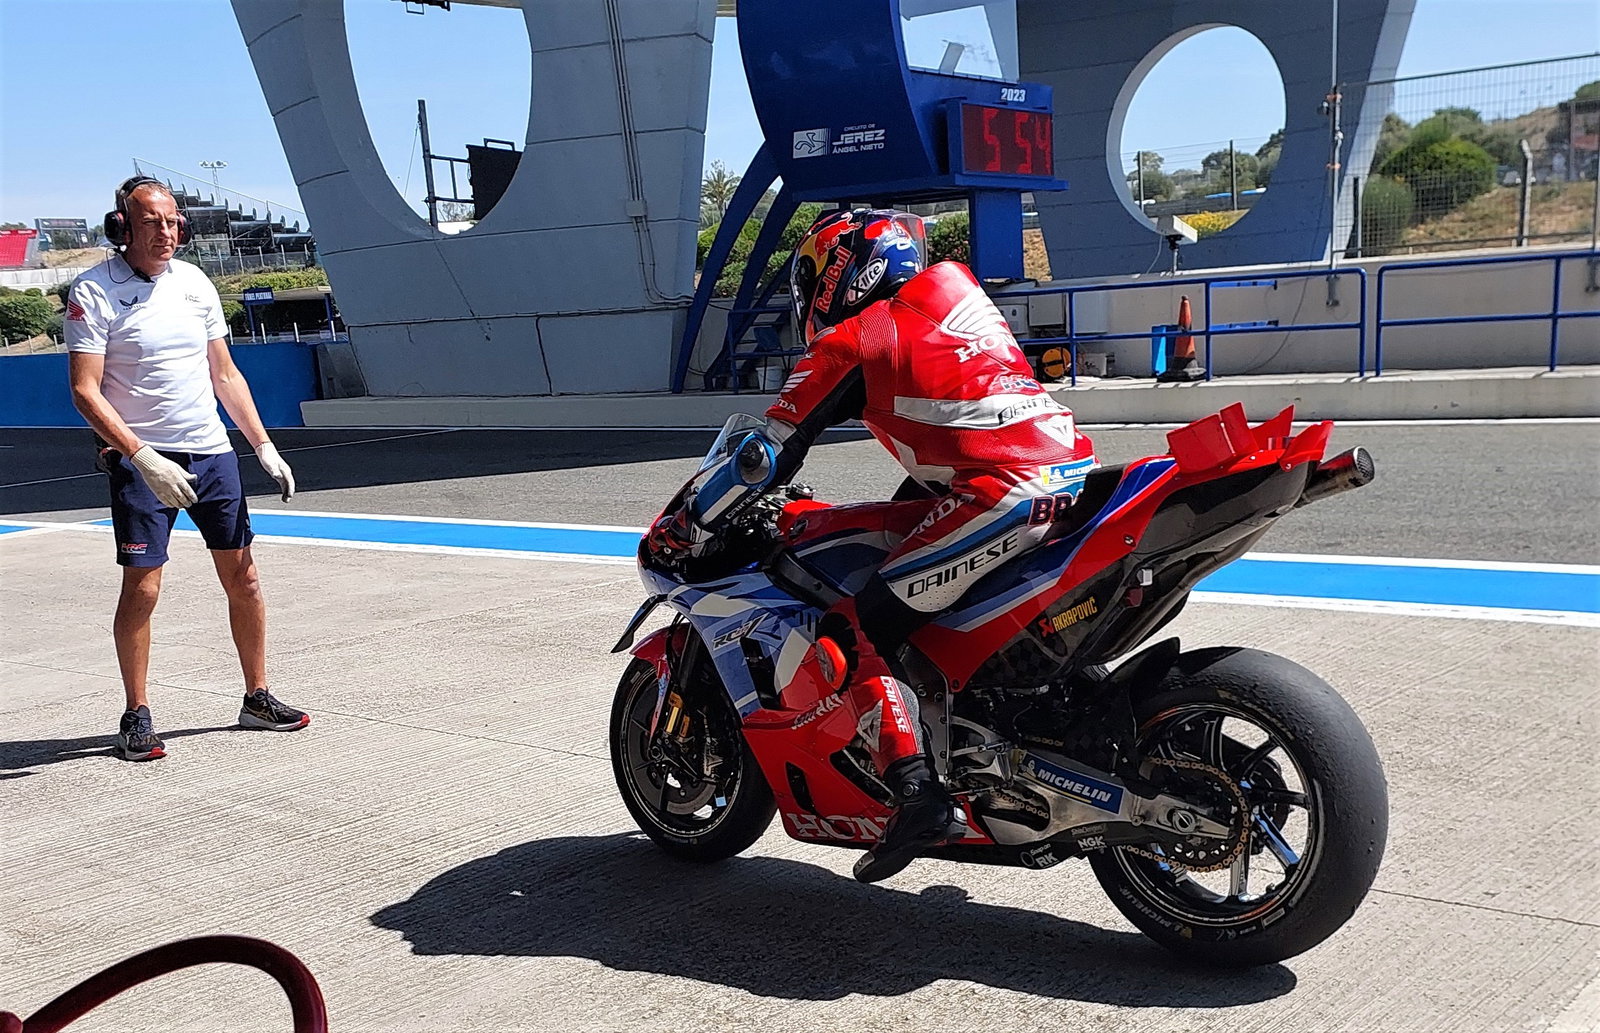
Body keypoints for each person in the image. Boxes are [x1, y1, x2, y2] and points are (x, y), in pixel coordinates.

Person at [666, 208, 1098, 882]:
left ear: (841, 270)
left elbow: (764, 454)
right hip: (1067, 477)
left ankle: (920, 792)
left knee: (855, 621)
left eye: (812, 277)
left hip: (1000, 493)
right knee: (904, 533)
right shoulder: (953, 292)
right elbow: (957, 413)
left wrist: (693, 515)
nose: (808, 296)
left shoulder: (856, 338)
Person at [65, 175, 310, 761]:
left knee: (244, 578)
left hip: (211, 453)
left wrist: (262, 446)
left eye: (174, 221)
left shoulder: (196, 283)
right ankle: (136, 714)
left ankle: (256, 697)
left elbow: (224, 374)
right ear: (122, 227)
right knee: (144, 588)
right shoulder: (94, 291)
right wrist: (141, 456)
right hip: (142, 462)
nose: (166, 232)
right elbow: (85, 391)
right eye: (151, 222)